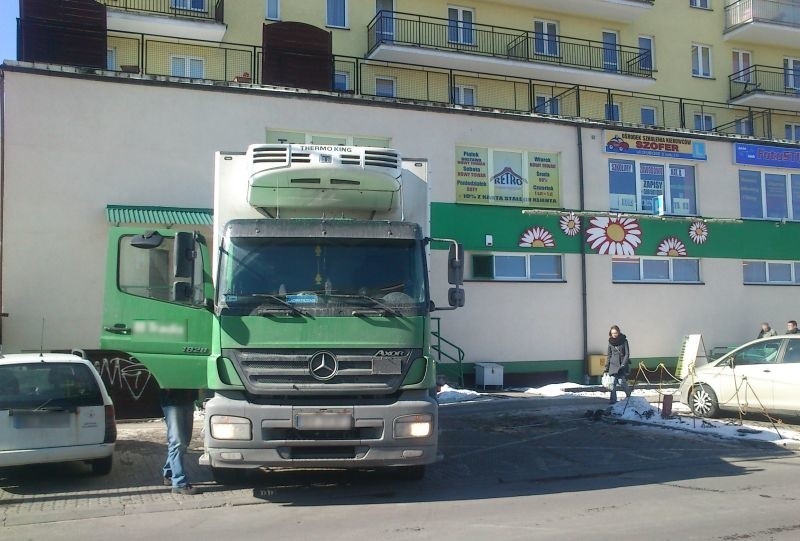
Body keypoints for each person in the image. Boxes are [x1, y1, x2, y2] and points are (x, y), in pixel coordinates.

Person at [161, 388, 200, 495]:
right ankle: (179, 483)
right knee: (177, 442)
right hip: (172, 400)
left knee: (184, 441)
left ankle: (169, 473)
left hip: (188, 398)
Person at [604, 325, 632, 405]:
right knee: (612, 383)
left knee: (622, 382)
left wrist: (623, 364)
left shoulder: (624, 341)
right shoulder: (610, 342)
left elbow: (627, 354)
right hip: (613, 365)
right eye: (612, 333)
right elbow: (609, 355)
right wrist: (607, 366)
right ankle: (613, 400)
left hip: (621, 365)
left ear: (618, 332)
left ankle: (629, 397)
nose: (614, 334)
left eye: (615, 333)